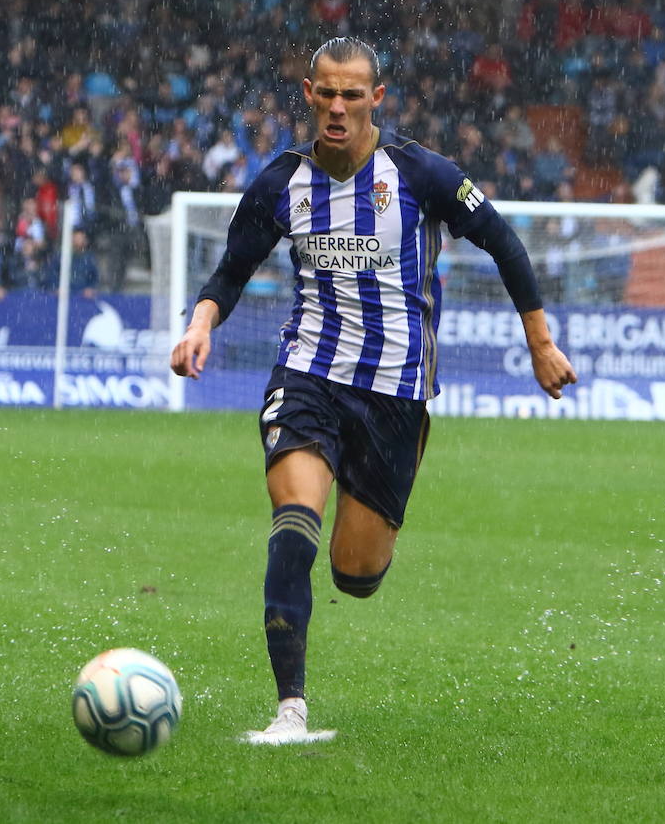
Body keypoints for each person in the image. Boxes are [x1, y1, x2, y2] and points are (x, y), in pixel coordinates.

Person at [170, 37, 576, 745]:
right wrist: (200, 322)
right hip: (308, 375)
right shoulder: (280, 183)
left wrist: (540, 343)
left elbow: (506, 244)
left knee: (356, 574)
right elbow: (231, 271)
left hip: (395, 394)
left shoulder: (422, 174)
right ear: (307, 93)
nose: (337, 106)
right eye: (325, 92)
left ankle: (385, 495)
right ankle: (290, 709)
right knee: (294, 522)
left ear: (376, 99)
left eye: (352, 94)